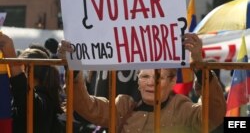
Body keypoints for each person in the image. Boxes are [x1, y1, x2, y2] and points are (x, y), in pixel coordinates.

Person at [57, 33, 226, 133]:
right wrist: (74, 67)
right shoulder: (123, 107)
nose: (151, 83)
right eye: (144, 77)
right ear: (138, 81)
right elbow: (86, 106)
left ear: (173, 81)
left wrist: (197, 63)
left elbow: (214, 113)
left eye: (158, 77)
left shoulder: (183, 109)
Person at [0, 33, 64, 133]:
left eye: (19, 63)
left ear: (26, 69)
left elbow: (26, 100)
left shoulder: (44, 101)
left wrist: (13, 61)